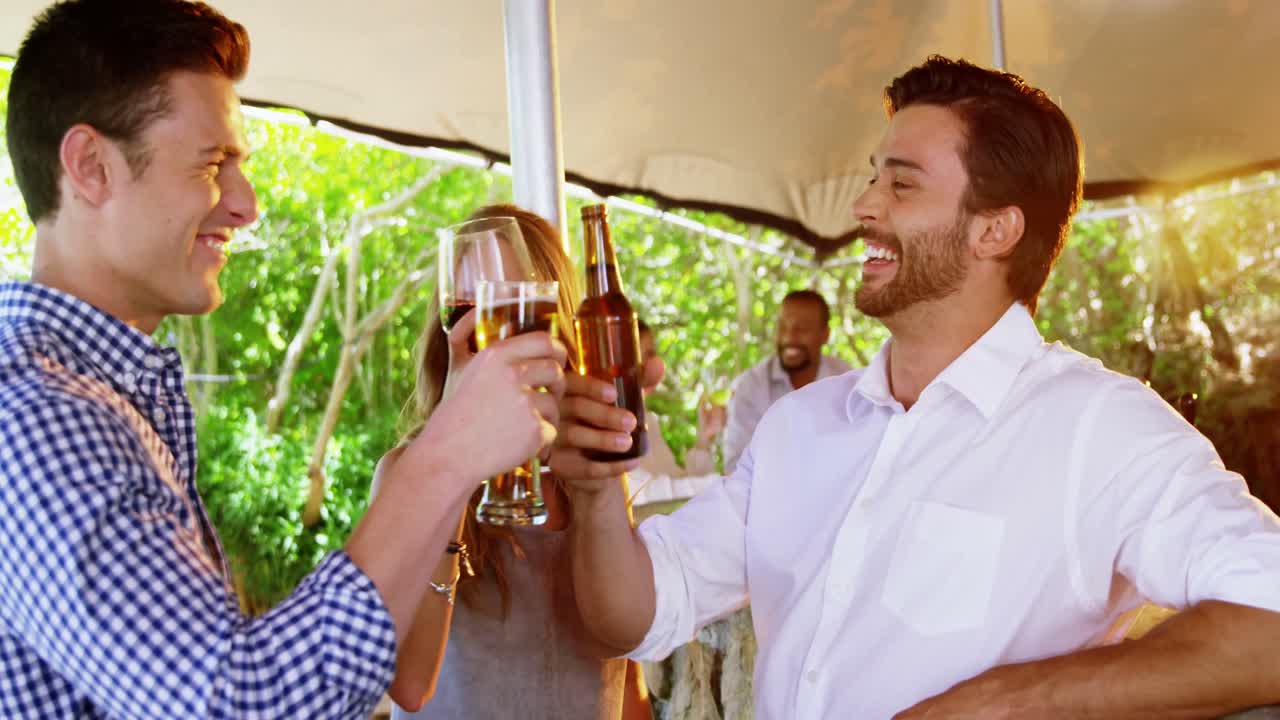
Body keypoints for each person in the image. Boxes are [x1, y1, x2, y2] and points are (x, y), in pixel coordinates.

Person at [553, 56, 1280, 718]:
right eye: (874, 177)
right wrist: (593, 494)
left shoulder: (1102, 426)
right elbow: (633, 615)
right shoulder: (796, 427)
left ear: (994, 231)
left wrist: (1002, 702)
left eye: (900, 183)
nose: (865, 205)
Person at [0, 3, 565, 718]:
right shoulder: (40, 414)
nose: (247, 205)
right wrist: (445, 453)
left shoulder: (104, 398)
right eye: (213, 164)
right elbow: (242, 704)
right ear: (89, 167)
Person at [380, 204, 650, 720]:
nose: (494, 324)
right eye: (474, 301)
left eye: (510, 296)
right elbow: (408, 684)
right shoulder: (406, 473)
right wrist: (455, 463)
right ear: (449, 328)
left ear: (553, 315)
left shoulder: (590, 477)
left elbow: (624, 676)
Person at [721, 290, 851, 473]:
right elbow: (735, 466)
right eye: (782, 327)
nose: (789, 337)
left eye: (802, 329)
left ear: (825, 335)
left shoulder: (847, 380)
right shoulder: (750, 386)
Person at [627, 319, 723, 517]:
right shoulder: (610, 426)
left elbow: (676, 484)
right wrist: (723, 483)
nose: (653, 365)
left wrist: (703, 440)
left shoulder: (647, 421)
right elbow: (644, 496)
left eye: (653, 354)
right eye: (646, 355)